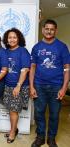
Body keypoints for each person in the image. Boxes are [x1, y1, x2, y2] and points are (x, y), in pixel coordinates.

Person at [30, 19, 70, 147]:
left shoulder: (62, 47)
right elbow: (33, 68)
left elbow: (67, 68)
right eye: (46, 28)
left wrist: (64, 88)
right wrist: (31, 86)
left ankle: (51, 138)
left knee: (54, 114)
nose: (49, 31)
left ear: (55, 31)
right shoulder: (36, 47)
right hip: (39, 85)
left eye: (52, 29)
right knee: (39, 113)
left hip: (56, 86)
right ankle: (40, 137)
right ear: (43, 30)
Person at [2, 28, 30, 143]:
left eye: (14, 37)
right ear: (6, 40)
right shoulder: (5, 52)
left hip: (19, 86)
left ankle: (13, 132)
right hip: (7, 85)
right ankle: (14, 129)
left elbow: (25, 70)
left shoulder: (22, 51)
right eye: (10, 37)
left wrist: (18, 86)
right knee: (10, 109)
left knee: (13, 110)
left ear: (18, 38)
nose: (12, 39)